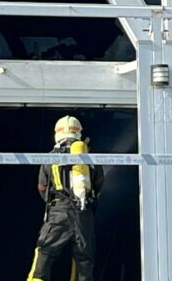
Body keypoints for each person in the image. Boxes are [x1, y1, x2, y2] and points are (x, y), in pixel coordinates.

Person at [27, 115, 104, 281]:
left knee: (44, 254)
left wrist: (55, 203)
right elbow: (98, 183)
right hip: (84, 213)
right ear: (79, 133)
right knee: (84, 261)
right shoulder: (89, 157)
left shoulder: (50, 157)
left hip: (58, 212)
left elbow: (42, 187)